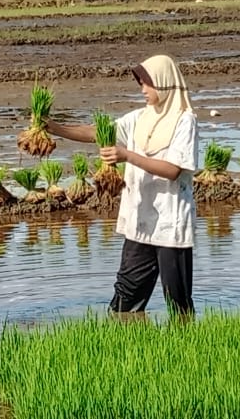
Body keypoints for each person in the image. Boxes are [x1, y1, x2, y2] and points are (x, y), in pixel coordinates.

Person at [45, 54, 199, 317]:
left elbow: (173, 170)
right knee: (124, 300)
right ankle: (126, 339)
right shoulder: (139, 118)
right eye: (141, 84)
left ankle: (185, 345)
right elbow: (97, 131)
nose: (142, 90)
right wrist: (54, 128)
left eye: (147, 84)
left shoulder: (185, 121)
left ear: (164, 83)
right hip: (140, 220)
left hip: (170, 222)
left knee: (178, 302)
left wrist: (127, 156)